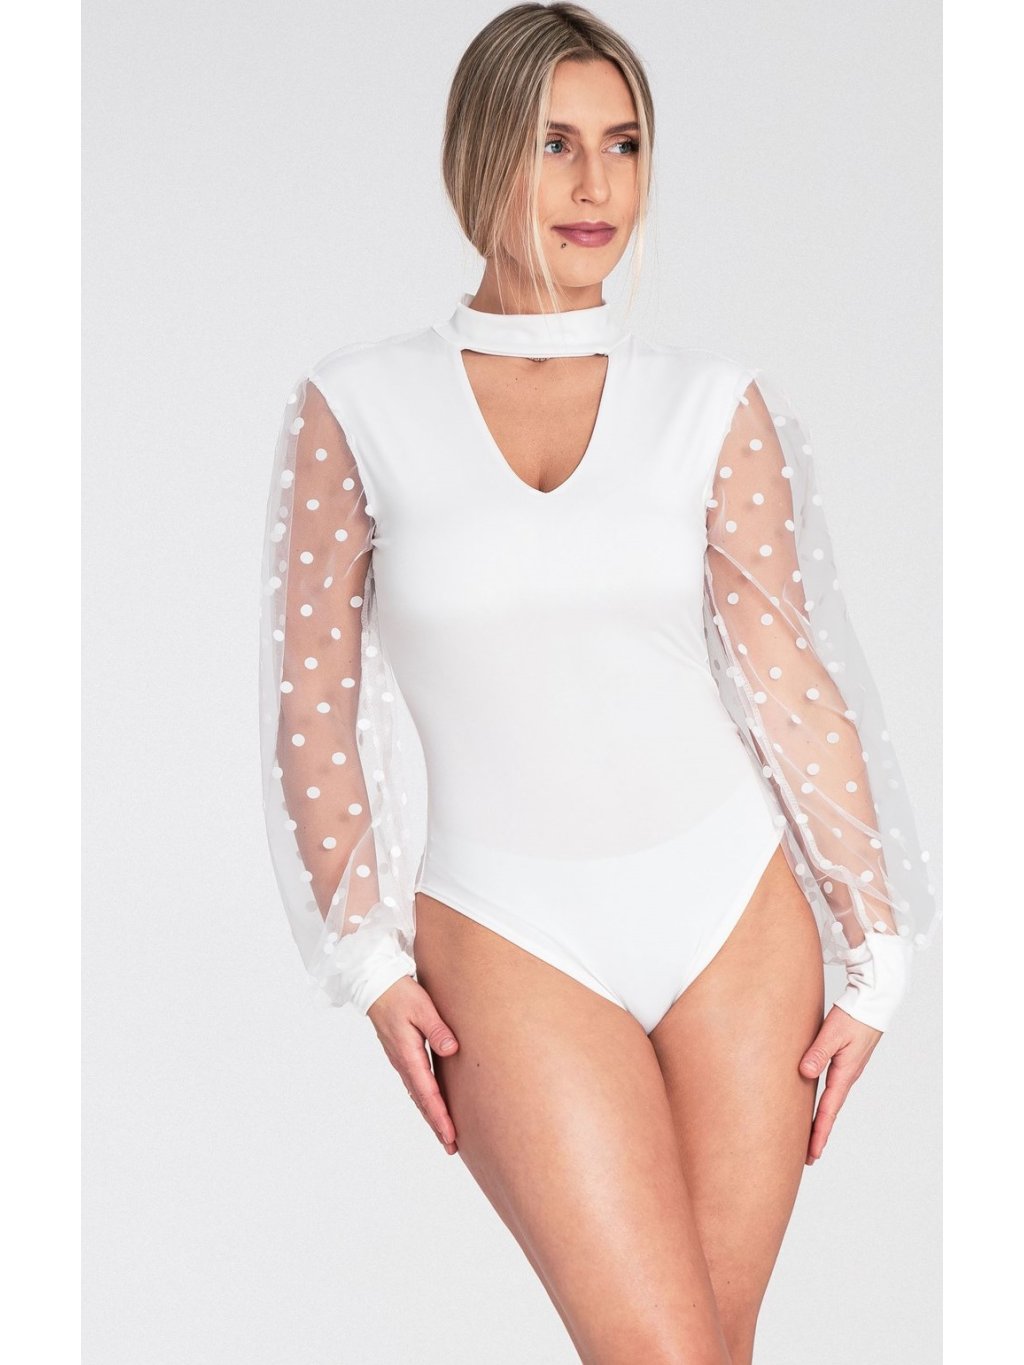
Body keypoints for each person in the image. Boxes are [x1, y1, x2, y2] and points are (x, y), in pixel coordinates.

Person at [258, 5, 938, 1361]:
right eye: (554, 143)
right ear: (480, 155)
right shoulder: (361, 404)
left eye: (624, 145)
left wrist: (880, 951)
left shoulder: (711, 401)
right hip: (507, 928)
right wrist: (367, 959)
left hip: (733, 915)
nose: (595, 185)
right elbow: (312, 703)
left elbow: (788, 678)